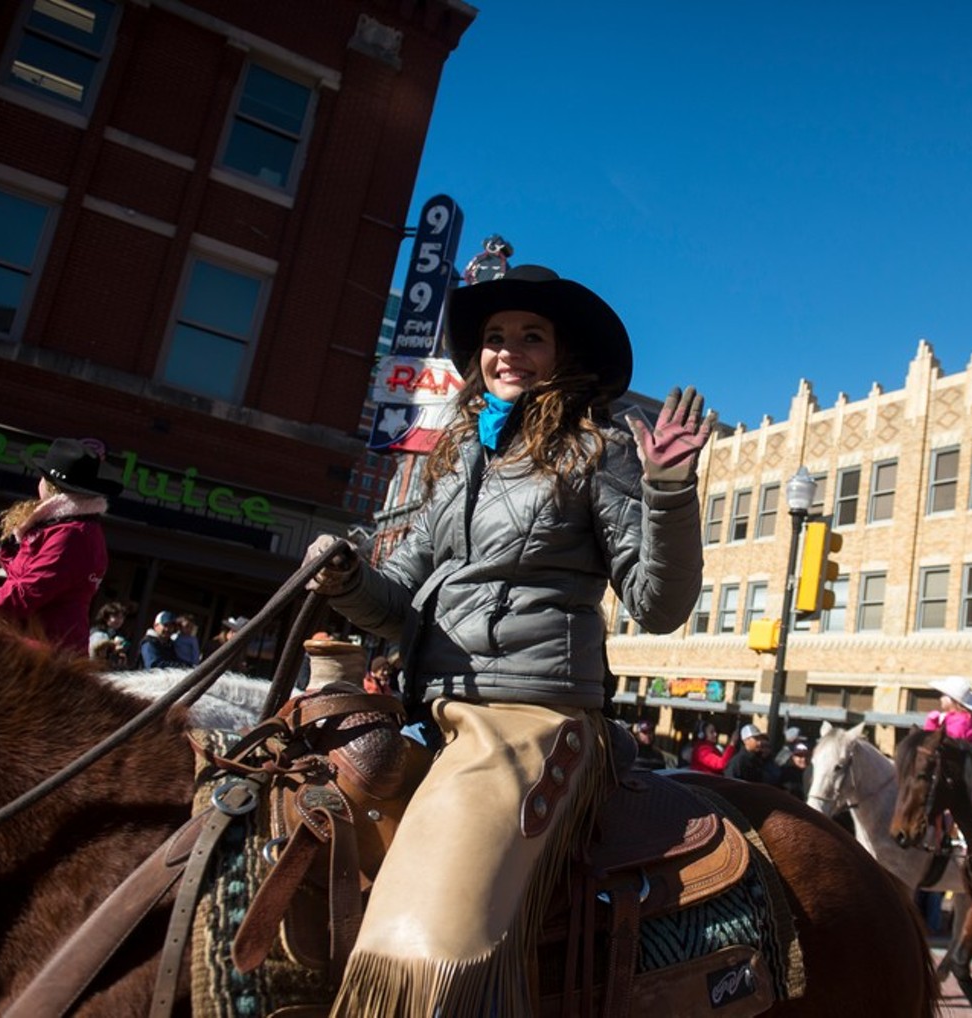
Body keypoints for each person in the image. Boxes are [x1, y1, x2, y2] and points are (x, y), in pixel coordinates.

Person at [302, 264, 712, 1014]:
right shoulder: (460, 459)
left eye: (531, 336)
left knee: (423, 947)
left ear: (563, 353)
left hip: (530, 717)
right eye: (494, 338)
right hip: (431, 708)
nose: (508, 352)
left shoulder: (599, 449)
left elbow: (657, 605)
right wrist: (344, 577)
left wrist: (669, 491)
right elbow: (398, 605)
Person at [0, 437, 121, 654]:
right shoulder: (70, 528)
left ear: (49, 485)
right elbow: (32, 583)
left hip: (42, 655)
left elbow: (24, 596)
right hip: (36, 646)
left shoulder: (72, 535)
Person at [923, 675, 972, 745]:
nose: (940, 698)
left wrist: (932, 724)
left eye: (943, 695)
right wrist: (933, 723)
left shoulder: (962, 722)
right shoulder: (953, 719)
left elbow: (948, 743)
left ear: (952, 700)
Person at [88, 601, 132, 669]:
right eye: (116, 617)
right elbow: (95, 653)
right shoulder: (98, 633)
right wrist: (112, 645)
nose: (119, 620)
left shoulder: (117, 634)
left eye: (121, 617)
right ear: (106, 618)